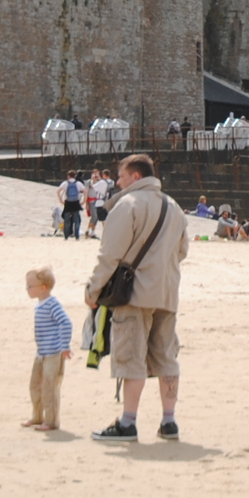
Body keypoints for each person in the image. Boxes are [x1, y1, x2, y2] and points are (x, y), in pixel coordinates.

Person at [85, 154, 191, 444]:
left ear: (134, 177)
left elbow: (110, 255)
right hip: (168, 292)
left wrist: (93, 291)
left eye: (120, 176)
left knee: (131, 357)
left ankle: (128, 423)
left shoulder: (127, 205)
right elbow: (182, 252)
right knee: (166, 356)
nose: (117, 182)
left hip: (134, 294)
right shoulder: (175, 207)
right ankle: (169, 422)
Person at [23, 267, 72, 430]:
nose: (27, 289)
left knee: (49, 386)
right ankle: (37, 416)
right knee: (35, 385)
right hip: (41, 353)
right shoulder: (39, 305)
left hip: (53, 353)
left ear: (43, 287)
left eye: (30, 286)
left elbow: (66, 322)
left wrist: (65, 346)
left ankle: (51, 421)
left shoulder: (52, 304)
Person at [59, 172, 84, 241]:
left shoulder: (65, 183)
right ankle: (77, 236)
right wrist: (83, 201)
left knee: (67, 220)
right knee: (76, 220)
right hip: (76, 203)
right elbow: (85, 191)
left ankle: (66, 236)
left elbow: (58, 191)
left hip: (68, 203)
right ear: (75, 176)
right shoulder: (78, 183)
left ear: (68, 176)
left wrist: (61, 200)